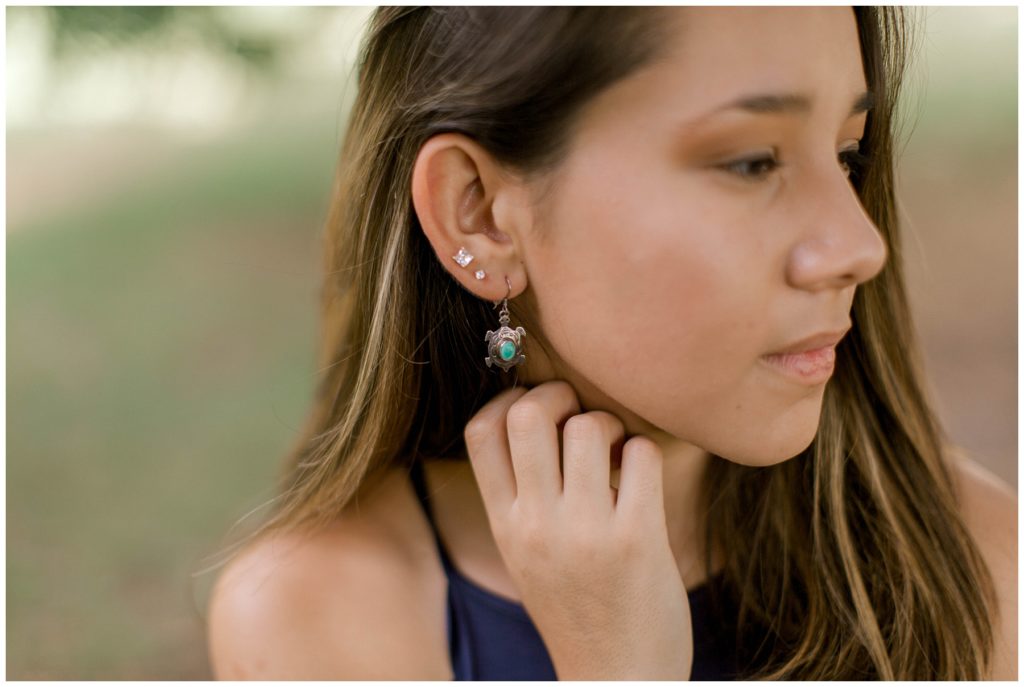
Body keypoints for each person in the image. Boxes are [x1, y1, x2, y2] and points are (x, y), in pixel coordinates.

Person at [203, 6, 1017, 680]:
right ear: (480, 214)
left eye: (846, 154)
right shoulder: (314, 619)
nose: (858, 243)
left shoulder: (975, 561)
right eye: (751, 161)